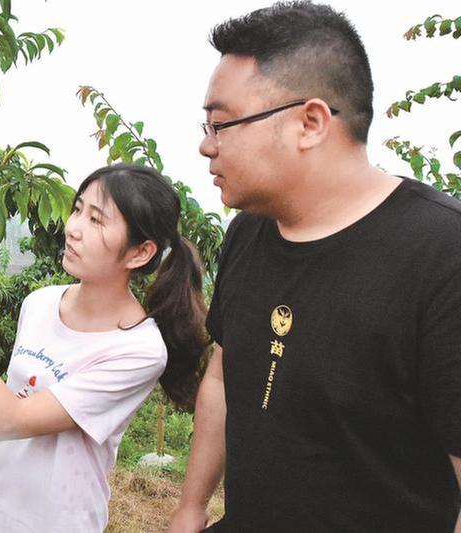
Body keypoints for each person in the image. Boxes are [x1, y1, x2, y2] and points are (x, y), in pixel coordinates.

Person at [168, 2, 461, 532]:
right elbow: (222, 373)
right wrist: (191, 509)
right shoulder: (250, 230)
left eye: (221, 123)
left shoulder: (443, 255)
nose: (206, 145)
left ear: (310, 122)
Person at [0, 164, 210, 532]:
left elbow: (8, 419)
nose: (73, 228)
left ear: (139, 253)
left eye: (96, 220)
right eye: (77, 210)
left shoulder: (139, 349)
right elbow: (23, 398)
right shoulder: (40, 303)